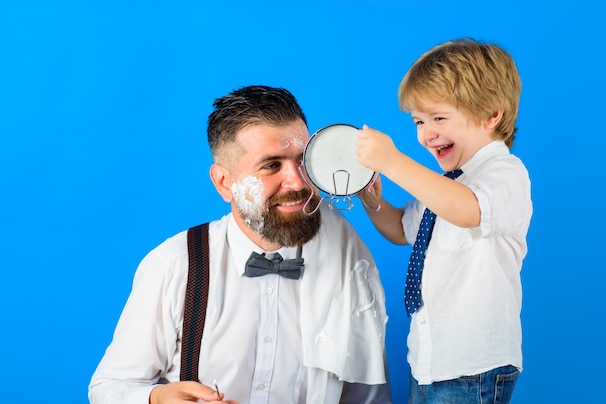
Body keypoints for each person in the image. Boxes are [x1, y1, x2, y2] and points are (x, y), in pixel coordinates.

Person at [88, 85, 392, 404]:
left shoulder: (348, 257)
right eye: (271, 166)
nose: (298, 182)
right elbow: (109, 386)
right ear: (224, 183)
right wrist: (157, 397)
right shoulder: (174, 265)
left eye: (304, 161)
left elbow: (369, 395)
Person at [355, 38, 532, 403]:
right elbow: (403, 230)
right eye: (419, 121)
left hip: (474, 367)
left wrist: (392, 161)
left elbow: (469, 211)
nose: (426, 134)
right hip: (429, 360)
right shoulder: (446, 185)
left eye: (438, 118)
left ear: (491, 115)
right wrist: (368, 196)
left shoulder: (505, 174)